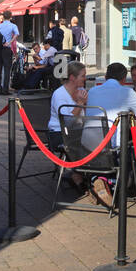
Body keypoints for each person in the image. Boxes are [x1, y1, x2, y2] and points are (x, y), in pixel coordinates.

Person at [84, 62, 136, 206]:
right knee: (132, 147)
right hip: (111, 147)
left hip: (87, 145)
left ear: (106, 76)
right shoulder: (127, 92)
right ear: (123, 79)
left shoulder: (93, 91)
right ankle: (109, 182)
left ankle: (97, 180)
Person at [47, 61, 95, 198]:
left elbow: (84, 117)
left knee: (98, 138)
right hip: (59, 133)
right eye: (83, 76)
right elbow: (68, 122)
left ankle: (89, 176)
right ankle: (80, 175)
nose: (85, 79)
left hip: (77, 131)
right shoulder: (59, 94)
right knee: (84, 143)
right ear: (73, 78)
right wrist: (80, 104)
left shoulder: (81, 92)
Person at [0, 12, 18, 95]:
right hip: (7, 49)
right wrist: (10, 42)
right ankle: (5, 89)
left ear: (3, 17)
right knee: (7, 70)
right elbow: (16, 34)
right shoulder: (13, 26)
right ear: (10, 17)